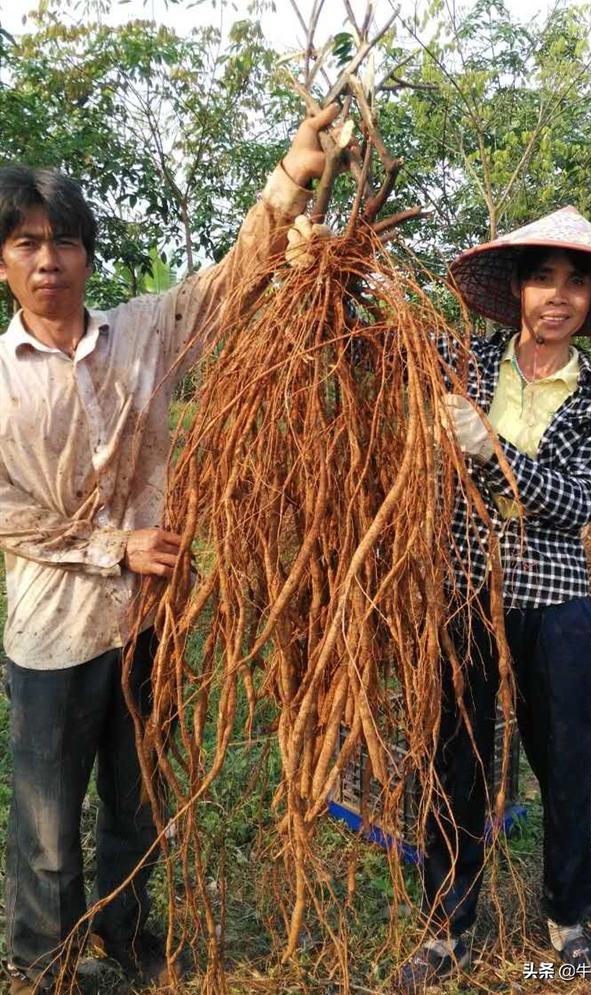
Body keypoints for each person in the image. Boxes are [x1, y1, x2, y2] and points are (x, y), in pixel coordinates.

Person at [0, 105, 339, 995]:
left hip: (150, 620)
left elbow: (231, 282)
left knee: (139, 803)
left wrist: (294, 174)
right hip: (52, 633)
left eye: (65, 242)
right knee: (45, 821)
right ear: (4, 261)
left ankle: (130, 936)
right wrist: (119, 543)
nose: (48, 261)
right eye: (28, 243)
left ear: (87, 254)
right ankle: (44, 962)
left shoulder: (147, 330)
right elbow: (9, 514)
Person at [397, 206, 591, 991]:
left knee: (564, 760)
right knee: (454, 757)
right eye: (544, 277)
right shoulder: (456, 359)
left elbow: (577, 502)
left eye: (576, 282)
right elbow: (371, 341)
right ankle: (447, 926)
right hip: (462, 587)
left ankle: (568, 920)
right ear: (519, 290)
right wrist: (320, 256)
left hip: (556, 598)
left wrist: (488, 449)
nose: (558, 295)